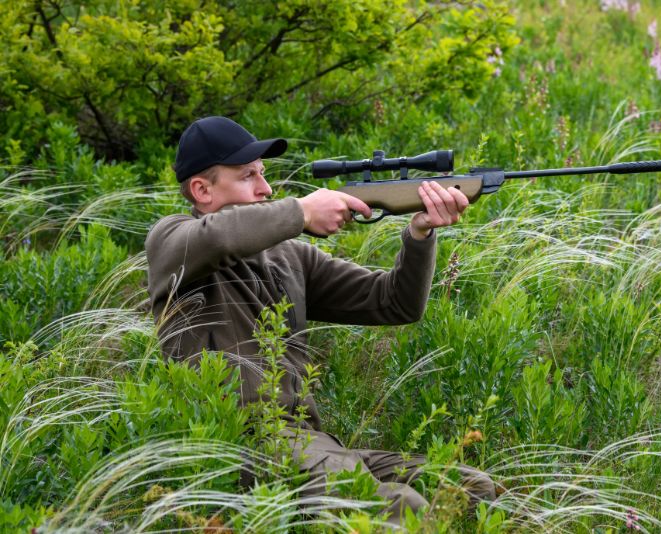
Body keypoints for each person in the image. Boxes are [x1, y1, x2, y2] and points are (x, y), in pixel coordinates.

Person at [145, 116, 495, 525]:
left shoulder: (288, 255)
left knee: (472, 487)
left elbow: (394, 303)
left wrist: (419, 235)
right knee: (398, 506)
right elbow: (219, 237)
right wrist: (302, 210)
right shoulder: (171, 242)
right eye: (247, 177)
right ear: (201, 190)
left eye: (263, 173)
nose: (266, 188)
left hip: (311, 442)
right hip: (241, 443)